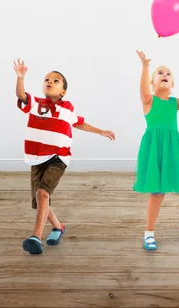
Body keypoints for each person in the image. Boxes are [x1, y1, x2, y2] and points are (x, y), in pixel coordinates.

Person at [13, 58, 116, 255]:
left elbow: (79, 123)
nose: (49, 81)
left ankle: (35, 237)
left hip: (58, 158)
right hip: (36, 159)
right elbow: (20, 95)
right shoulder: (35, 103)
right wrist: (20, 77)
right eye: (46, 79)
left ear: (63, 92)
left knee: (43, 194)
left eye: (56, 80)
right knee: (40, 200)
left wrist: (101, 131)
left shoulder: (67, 108)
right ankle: (59, 227)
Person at [134, 50, 179, 251]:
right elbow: (142, 90)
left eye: (168, 74)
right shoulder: (148, 100)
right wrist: (146, 65)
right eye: (160, 73)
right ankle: (149, 233)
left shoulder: (175, 102)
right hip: (155, 149)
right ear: (153, 83)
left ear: (172, 84)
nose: (164, 75)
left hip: (174, 148)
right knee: (157, 193)